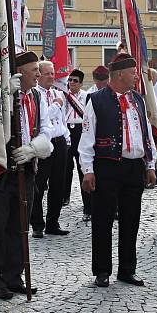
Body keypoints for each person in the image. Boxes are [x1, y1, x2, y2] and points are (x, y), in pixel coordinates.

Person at [79, 53, 157, 288]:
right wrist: (88, 170)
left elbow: (147, 134)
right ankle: (102, 270)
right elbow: (86, 137)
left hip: (134, 167)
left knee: (131, 219)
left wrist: (150, 165)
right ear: (120, 74)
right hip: (107, 165)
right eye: (133, 73)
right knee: (102, 219)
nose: (136, 77)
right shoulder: (96, 100)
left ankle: (127, 269)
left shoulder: (138, 100)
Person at [0, 51, 52, 300]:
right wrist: (4, 95)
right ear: (20, 71)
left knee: (19, 226)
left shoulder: (37, 97)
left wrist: (34, 148)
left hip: (27, 169)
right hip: (1, 171)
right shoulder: (2, 96)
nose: (38, 74)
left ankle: (14, 276)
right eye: (34, 69)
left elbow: (46, 129)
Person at [31, 60, 70, 238]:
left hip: (59, 141)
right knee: (39, 184)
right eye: (47, 73)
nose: (51, 76)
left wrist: (66, 138)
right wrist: (56, 105)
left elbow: (61, 120)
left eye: (53, 73)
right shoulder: (34, 94)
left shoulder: (56, 93)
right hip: (43, 142)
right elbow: (43, 117)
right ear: (38, 75)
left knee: (58, 184)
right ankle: (37, 224)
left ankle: (53, 222)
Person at [63, 69, 90, 220]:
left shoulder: (86, 96)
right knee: (66, 168)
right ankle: (64, 197)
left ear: (80, 83)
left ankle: (88, 207)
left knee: (83, 169)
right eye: (70, 80)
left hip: (80, 131)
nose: (71, 83)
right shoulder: (63, 95)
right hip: (67, 130)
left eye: (75, 81)